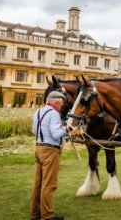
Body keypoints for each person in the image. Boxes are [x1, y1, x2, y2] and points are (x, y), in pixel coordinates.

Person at [31, 91, 69, 220]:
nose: (62, 107)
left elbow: (34, 130)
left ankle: (35, 214)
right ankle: (47, 216)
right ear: (56, 102)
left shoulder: (39, 112)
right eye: (62, 104)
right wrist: (68, 129)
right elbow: (56, 133)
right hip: (50, 151)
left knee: (38, 184)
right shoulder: (54, 113)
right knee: (49, 184)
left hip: (39, 148)